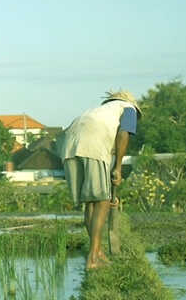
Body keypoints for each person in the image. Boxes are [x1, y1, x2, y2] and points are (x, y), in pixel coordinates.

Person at [59, 90, 141, 269]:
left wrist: (112, 184)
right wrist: (118, 167)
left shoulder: (100, 111)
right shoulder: (128, 109)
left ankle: (98, 252)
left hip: (69, 144)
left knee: (91, 201)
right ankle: (94, 257)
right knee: (102, 201)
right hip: (92, 143)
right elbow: (123, 135)